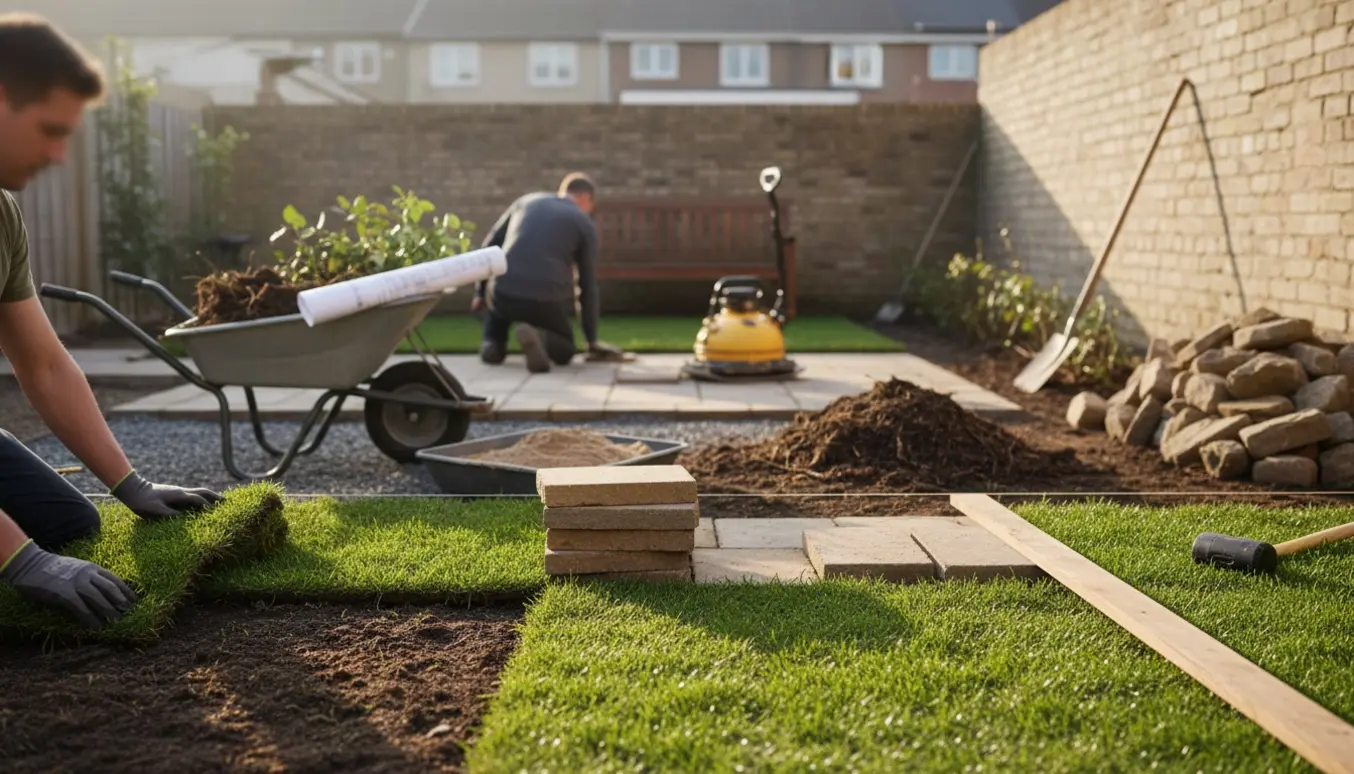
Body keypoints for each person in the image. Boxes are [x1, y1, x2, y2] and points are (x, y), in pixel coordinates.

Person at [0, 13, 225, 630]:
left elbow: (43, 364)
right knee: (28, 548)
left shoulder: (2, 215)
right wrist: (18, 560)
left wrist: (131, 484)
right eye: (48, 130)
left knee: (71, 525)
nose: (57, 155)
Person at [473, 172, 616, 373]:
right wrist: (591, 340)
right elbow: (587, 285)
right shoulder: (583, 223)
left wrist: (480, 293)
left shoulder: (527, 201)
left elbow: (490, 246)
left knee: (498, 309)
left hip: (503, 292)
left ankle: (493, 344)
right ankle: (544, 339)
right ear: (586, 198)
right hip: (545, 299)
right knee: (565, 350)